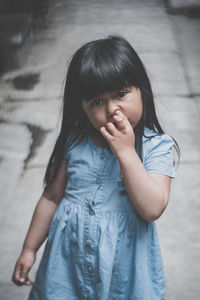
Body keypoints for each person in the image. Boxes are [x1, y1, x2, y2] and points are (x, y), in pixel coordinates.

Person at [12, 35, 180, 300]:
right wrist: (29, 248)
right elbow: (51, 198)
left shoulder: (156, 146)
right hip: (66, 269)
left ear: (142, 91)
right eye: (96, 102)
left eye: (121, 94)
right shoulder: (74, 143)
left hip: (124, 273)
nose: (112, 108)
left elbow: (152, 208)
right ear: (82, 109)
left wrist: (126, 152)